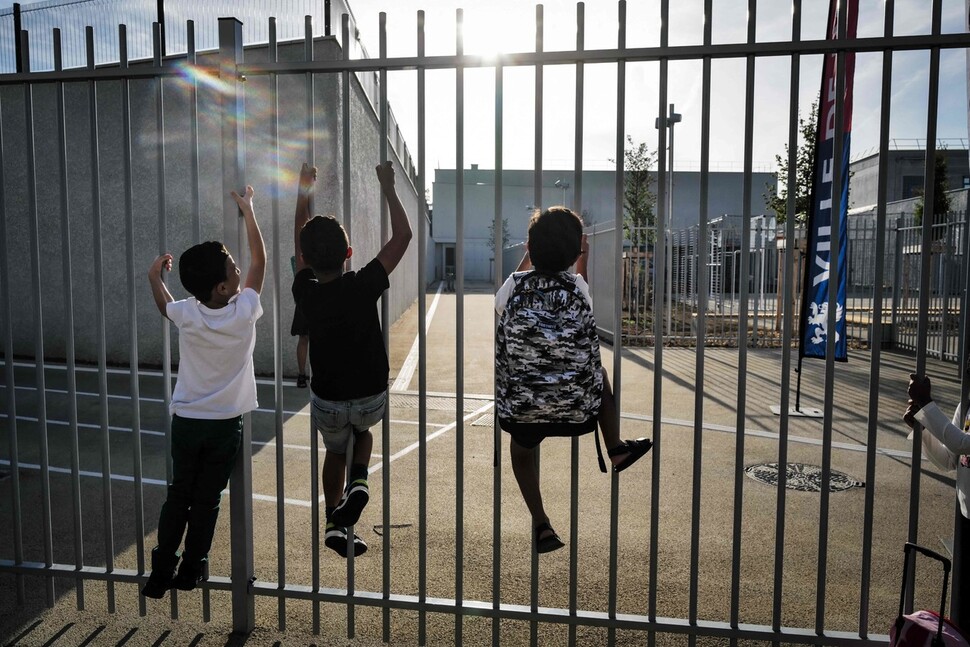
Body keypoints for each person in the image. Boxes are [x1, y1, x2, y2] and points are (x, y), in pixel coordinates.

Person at [495, 206, 652, 554]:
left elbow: (500, 304)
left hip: (524, 407)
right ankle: (616, 448)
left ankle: (541, 522)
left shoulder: (514, 286)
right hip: (578, 407)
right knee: (601, 375)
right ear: (576, 253)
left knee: (521, 454)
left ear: (531, 249)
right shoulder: (577, 287)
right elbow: (582, 287)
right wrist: (582, 258)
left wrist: (528, 256)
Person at [141, 186, 265, 599]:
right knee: (207, 501)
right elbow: (261, 261)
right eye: (232, 266)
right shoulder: (245, 311)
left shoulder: (189, 313)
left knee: (179, 494)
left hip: (188, 423)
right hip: (224, 426)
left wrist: (154, 277)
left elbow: (165, 305)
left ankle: (161, 569)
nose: (238, 267)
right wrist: (248, 212)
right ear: (224, 288)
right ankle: (192, 567)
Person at [292, 160, 412, 557]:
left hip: (327, 399)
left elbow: (300, 240)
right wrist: (388, 187)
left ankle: (333, 523)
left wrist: (303, 190)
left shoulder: (305, 289)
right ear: (349, 252)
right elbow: (404, 235)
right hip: (369, 394)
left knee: (333, 450)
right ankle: (358, 482)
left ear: (306, 260)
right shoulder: (364, 284)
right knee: (363, 432)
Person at [905, 371, 970, 628]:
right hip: (967, 514)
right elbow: (949, 459)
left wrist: (927, 404)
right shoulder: (965, 404)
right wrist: (921, 429)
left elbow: (963, 443)